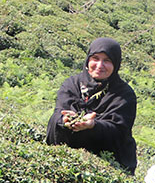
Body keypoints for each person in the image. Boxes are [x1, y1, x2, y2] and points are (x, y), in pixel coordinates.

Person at [46, 37, 138, 173]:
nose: (100, 65)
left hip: (107, 159)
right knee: (55, 119)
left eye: (107, 60)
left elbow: (119, 130)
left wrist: (94, 125)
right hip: (71, 148)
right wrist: (65, 120)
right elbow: (61, 110)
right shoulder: (72, 84)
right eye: (95, 58)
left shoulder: (124, 94)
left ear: (116, 64)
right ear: (88, 60)